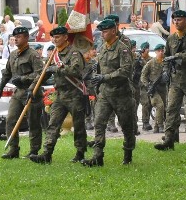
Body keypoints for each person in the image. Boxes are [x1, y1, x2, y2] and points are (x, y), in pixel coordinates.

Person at [30, 26, 89, 164]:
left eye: (57, 37)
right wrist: (32, 88)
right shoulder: (54, 55)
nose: (54, 40)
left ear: (65, 37)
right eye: (53, 37)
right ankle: (46, 154)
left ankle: (80, 152)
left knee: (78, 125)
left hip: (75, 93)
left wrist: (57, 69)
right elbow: (43, 74)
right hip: (60, 94)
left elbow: (76, 70)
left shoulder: (74, 53)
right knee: (53, 124)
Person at [84, 19, 136, 165]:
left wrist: (104, 77)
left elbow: (125, 71)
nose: (102, 34)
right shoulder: (103, 48)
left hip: (121, 94)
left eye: (105, 31)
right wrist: (95, 77)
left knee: (126, 126)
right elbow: (100, 67)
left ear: (114, 31)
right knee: (99, 122)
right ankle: (97, 156)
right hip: (105, 94)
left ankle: (128, 155)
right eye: (102, 31)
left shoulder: (123, 49)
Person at [155, 9, 186, 150]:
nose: (177, 22)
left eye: (179, 20)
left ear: (185, 21)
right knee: (171, 109)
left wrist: (178, 56)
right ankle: (169, 140)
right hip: (176, 80)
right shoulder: (171, 38)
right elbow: (166, 58)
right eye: (174, 20)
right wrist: (166, 71)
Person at [0, 26, 44, 159]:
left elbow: (40, 74)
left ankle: (34, 150)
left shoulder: (33, 55)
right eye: (14, 37)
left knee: (33, 122)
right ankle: (13, 149)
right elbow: (7, 72)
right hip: (18, 93)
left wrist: (23, 78)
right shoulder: (13, 55)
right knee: (11, 120)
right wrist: (1, 86)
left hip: (32, 92)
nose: (16, 39)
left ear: (26, 38)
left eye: (19, 37)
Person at [141, 44, 167, 133]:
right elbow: (143, 76)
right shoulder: (151, 63)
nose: (161, 52)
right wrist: (147, 85)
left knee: (164, 107)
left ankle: (156, 127)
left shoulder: (166, 62)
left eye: (162, 50)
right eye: (159, 50)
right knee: (160, 105)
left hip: (163, 88)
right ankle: (160, 125)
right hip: (153, 89)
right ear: (155, 52)